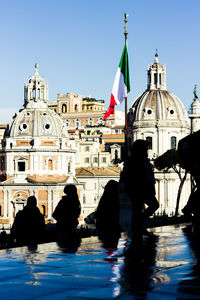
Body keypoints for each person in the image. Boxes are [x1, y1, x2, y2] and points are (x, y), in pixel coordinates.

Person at [121, 139, 159, 235]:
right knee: (146, 207)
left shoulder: (134, 161)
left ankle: (137, 225)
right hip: (140, 189)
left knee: (138, 209)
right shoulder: (136, 162)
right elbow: (142, 176)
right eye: (145, 148)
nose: (147, 150)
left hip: (139, 189)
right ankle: (137, 225)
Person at [95, 180, 121, 248]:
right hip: (114, 229)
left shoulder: (103, 200)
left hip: (104, 229)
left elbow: (99, 214)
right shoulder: (117, 200)